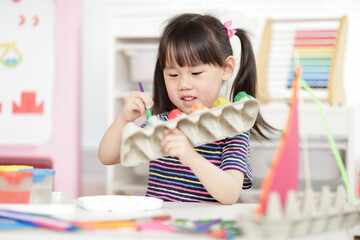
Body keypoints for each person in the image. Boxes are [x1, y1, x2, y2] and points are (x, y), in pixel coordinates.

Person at [98, 13, 273, 204]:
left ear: (226, 68)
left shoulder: (232, 128)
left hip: (204, 230)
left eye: (196, 73)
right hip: (163, 227)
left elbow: (230, 195)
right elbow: (107, 156)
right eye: (173, 74)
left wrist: (190, 156)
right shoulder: (162, 124)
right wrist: (124, 119)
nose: (184, 84)